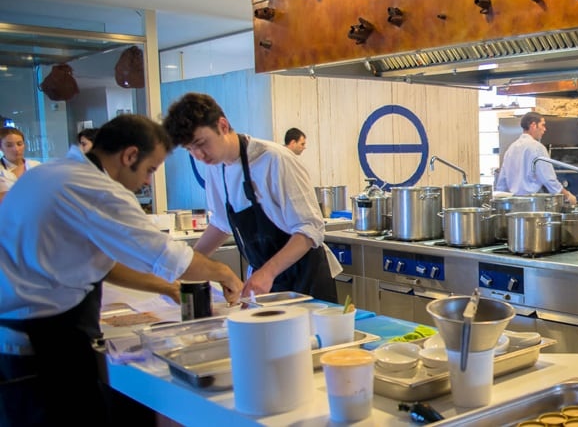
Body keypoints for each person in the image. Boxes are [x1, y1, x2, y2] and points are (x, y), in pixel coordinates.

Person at [0, 115, 243, 425]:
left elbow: (101, 264)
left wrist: (166, 287)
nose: (146, 182)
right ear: (129, 156)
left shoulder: (51, 173)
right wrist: (224, 272)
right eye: (149, 170)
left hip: (22, 337)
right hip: (44, 343)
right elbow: (169, 255)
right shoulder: (96, 189)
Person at [164, 93, 340, 302]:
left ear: (222, 125)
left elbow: (311, 229)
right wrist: (185, 265)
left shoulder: (274, 160)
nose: (199, 155)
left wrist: (268, 272)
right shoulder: (216, 168)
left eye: (201, 143)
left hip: (305, 278)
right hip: (264, 283)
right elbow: (221, 224)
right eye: (190, 149)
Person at [494, 112, 577, 205]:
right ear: (533, 125)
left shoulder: (511, 148)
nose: (544, 129)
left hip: (514, 205)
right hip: (533, 204)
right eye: (542, 125)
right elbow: (548, 178)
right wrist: (567, 195)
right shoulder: (537, 147)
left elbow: (502, 182)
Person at [0, 127, 41, 205]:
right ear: (1, 148)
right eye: (9, 145)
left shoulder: (37, 166)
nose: (16, 149)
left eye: (19, 144)